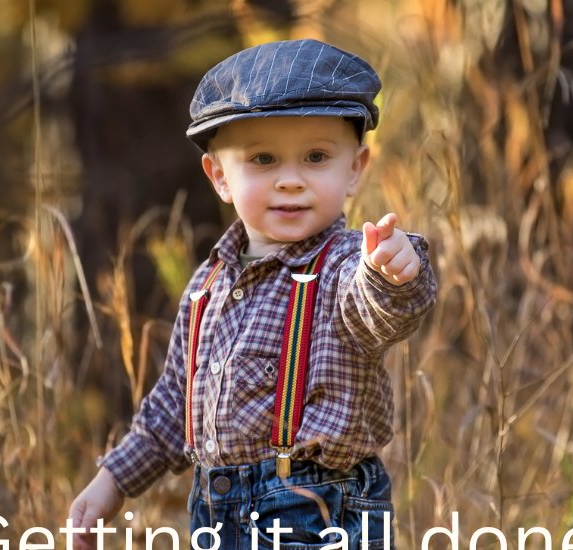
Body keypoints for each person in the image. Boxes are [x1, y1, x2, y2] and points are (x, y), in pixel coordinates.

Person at [69, 38, 437, 549]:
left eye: (316, 156)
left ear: (354, 168)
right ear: (220, 176)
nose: (290, 180)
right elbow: (173, 405)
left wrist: (393, 272)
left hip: (315, 508)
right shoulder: (205, 288)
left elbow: (381, 311)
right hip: (217, 514)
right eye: (263, 159)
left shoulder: (345, 265)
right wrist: (112, 481)